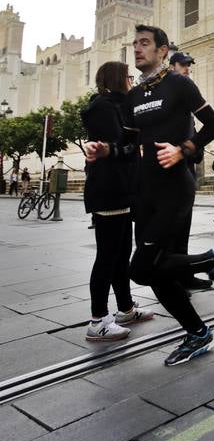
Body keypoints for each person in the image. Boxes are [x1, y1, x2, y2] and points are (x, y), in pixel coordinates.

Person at [85, 24, 214, 367]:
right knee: (153, 271)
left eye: (145, 43)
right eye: (134, 43)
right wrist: (105, 149)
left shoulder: (179, 84)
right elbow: (132, 143)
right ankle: (198, 332)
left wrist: (184, 149)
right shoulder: (134, 97)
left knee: (140, 267)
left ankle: (211, 261)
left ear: (162, 50)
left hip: (174, 188)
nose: (137, 49)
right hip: (144, 191)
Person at [82, 62, 154, 341]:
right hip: (108, 189)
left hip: (123, 189)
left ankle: (125, 307)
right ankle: (98, 319)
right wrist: (133, 142)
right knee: (107, 257)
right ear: (116, 78)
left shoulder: (121, 106)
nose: (132, 80)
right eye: (128, 76)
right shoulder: (103, 107)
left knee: (121, 254)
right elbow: (118, 148)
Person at [169, 50, 212, 291]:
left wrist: (194, 149)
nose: (187, 69)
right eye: (183, 65)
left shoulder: (186, 98)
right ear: (172, 65)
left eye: (189, 66)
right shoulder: (168, 95)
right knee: (173, 228)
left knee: (183, 226)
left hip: (186, 171)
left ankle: (184, 275)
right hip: (171, 174)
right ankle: (174, 277)